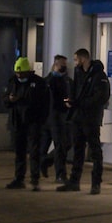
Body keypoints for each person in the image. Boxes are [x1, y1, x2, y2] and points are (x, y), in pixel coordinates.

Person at [58, 48, 110, 194]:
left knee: (95, 152)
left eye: (76, 59)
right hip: (78, 118)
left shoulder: (99, 75)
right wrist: (71, 102)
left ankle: (96, 183)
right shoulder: (79, 73)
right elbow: (76, 92)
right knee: (78, 151)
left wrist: (80, 103)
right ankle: (74, 182)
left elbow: (101, 97)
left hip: (91, 119)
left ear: (83, 58)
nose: (74, 63)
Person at [3, 57, 49, 191]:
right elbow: (5, 98)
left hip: (33, 122)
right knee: (19, 151)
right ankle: (19, 179)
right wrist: (9, 99)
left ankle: (35, 179)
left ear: (27, 72)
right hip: (18, 121)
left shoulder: (38, 83)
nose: (19, 76)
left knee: (34, 151)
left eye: (21, 74)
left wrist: (42, 120)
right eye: (17, 73)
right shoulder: (12, 81)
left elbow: (44, 102)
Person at [41, 55, 73, 183]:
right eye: (62, 65)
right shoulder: (47, 82)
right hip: (53, 117)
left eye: (65, 65)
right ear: (55, 65)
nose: (65, 67)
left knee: (66, 143)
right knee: (59, 145)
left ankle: (46, 161)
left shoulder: (67, 81)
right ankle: (60, 174)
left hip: (64, 116)